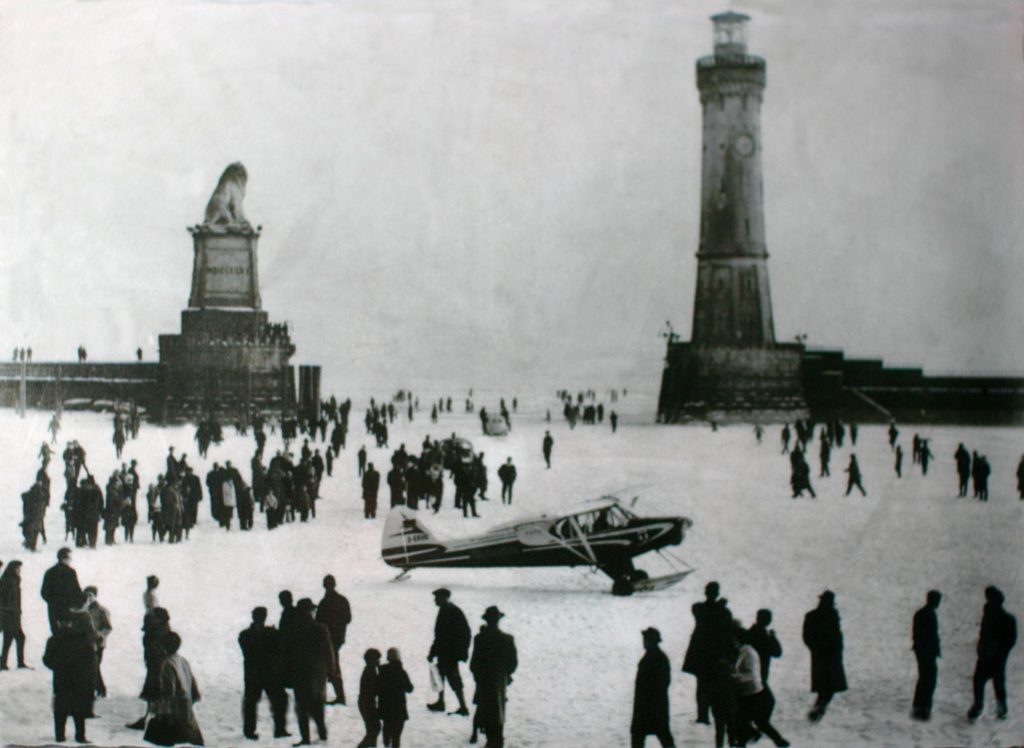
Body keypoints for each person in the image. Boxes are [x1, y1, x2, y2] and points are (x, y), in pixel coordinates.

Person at [278, 598, 338, 746]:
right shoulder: (321, 628)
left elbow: (285, 654)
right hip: (318, 673)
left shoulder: (291, 629)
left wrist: (284, 674)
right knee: (318, 703)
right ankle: (322, 732)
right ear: (310, 611)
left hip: (299, 673)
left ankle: (306, 738)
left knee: (302, 707)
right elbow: (329, 652)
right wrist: (332, 671)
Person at [682, 581, 733, 724]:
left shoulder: (698, 608)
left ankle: (703, 716)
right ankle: (715, 715)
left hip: (700, 654)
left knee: (701, 686)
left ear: (706, 593)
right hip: (716, 655)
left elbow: (703, 614)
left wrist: (717, 606)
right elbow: (727, 632)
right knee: (715, 686)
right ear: (717, 593)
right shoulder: (724, 612)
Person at [42, 612, 97, 744]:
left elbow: (46, 660)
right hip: (79, 679)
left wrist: (57, 666)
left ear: (59, 623)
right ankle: (80, 736)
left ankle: (60, 736)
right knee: (79, 708)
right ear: (71, 623)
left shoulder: (53, 640)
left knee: (60, 708)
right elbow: (91, 659)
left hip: (61, 679)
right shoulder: (83, 639)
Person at [144, 631, 204, 746]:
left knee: (169, 739)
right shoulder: (182, 660)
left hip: (174, 709)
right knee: (191, 737)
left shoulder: (167, 664)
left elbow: (168, 691)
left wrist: (160, 709)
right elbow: (193, 685)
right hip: (186, 705)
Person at [470, 606, 518, 748]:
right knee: (498, 713)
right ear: (498, 620)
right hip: (499, 682)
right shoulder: (507, 639)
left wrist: (479, 676)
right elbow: (513, 663)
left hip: (484, 683)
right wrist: (505, 675)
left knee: (484, 712)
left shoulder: (479, 639)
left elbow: (473, 664)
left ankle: (490, 741)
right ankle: (497, 741)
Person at [734, 626, 790, 747]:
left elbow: (750, 673)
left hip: (753, 693)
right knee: (747, 720)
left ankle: (778, 741)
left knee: (751, 720)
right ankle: (778, 741)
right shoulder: (745, 651)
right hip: (752, 692)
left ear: (738, 639)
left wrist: (734, 677)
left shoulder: (747, 653)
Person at [967, 585, 1017, 721]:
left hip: (992, 657)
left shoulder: (1001, 618)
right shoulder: (994, 616)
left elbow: (1009, 641)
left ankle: (980, 706)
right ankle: (1000, 709)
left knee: (982, 681)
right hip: (992, 657)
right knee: (994, 682)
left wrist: (993, 650)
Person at [239, 606, 289, 740]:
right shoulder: (271, 634)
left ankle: (249, 731)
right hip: (270, 673)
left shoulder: (244, 635)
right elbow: (278, 649)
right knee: (279, 700)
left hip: (252, 674)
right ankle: (280, 729)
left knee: (251, 703)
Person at [802, 590, 848, 721]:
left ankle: (819, 707)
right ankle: (819, 707)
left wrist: (814, 649)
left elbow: (807, 637)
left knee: (824, 685)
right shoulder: (832, 614)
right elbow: (837, 635)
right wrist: (839, 650)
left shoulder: (811, 615)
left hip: (819, 656)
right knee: (831, 685)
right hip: (832, 656)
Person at [427, 588, 471, 715]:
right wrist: (432, 652)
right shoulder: (445, 610)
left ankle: (463, 707)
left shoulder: (454, 612)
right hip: (444, 652)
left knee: (454, 679)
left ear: (445, 598)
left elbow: (465, 633)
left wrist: (462, 652)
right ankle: (441, 702)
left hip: (450, 654)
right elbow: (439, 636)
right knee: (440, 677)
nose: (435, 600)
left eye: (437, 597)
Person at [631, 627, 675, 748]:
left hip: (651, 706)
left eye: (646, 639)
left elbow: (662, 683)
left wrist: (648, 699)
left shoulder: (657, 658)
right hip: (652, 706)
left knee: (641, 735)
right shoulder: (657, 657)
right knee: (661, 734)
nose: (643, 641)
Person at [315, 574, 352, 705]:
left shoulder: (324, 602)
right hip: (339, 638)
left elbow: (318, 621)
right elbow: (348, 618)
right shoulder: (343, 600)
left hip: (327, 639)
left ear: (324, 585)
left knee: (330, 667)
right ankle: (339, 695)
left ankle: (336, 696)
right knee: (334, 665)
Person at [911, 590, 941, 721]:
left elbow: (917, 634)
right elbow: (932, 636)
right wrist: (935, 650)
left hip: (920, 651)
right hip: (928, 652)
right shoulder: (931, 614)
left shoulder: (920, 613)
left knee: (923, 678)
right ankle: (925, 708)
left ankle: (918, 705)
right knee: (929, 680)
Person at [41, 547, 83, 633]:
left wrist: (52, 602)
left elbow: (44, 592)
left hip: (54, 610)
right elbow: (77, 590)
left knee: (56, 634)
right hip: (69, 609)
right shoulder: (71, 572)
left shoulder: (50, 572)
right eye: (69, 558)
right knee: (69, 636)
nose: (70, 560)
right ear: (64, 558)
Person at [378, 647, 414, 748]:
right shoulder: (402, 672)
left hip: (386, 709)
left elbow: (377, 687)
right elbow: (410, 689)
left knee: (387, 730)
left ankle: (386, 745)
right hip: (399, 709)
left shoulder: (382, 670)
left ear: (388, 658)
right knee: (396, 736)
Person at [82, 586, 112, 697]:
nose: (88, 598)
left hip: (99, 644)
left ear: (95, 596)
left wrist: (99, 635)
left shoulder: (102, 610)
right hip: (88, 643)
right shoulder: (84, 609)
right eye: (86, 595)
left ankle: (100, 690)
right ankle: (97, 689)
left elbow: (108, 627)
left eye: (91, 595)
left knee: (95, 666)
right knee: (92, 667)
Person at [0, 561, 28, 669]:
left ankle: (6, 663)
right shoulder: (8, 580)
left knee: (13, 638)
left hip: (14, 614)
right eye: (18, 568)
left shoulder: (14, 580)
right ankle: (9, 663)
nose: (19, 570)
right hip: (9, 614)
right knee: (14, 638)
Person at [746, 609, 782, 685]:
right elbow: (777, 652)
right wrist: (773, 638)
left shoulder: (749, 633)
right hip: (761, 672)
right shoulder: (764, 636)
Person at [357, 648, 382, 748]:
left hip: (366, 703)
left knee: (372, 728)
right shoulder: (370, 672)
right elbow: (377, 688)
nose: (379, 662)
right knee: (375, 728)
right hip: (367, 704)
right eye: (377, 660)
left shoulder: (370, 670)